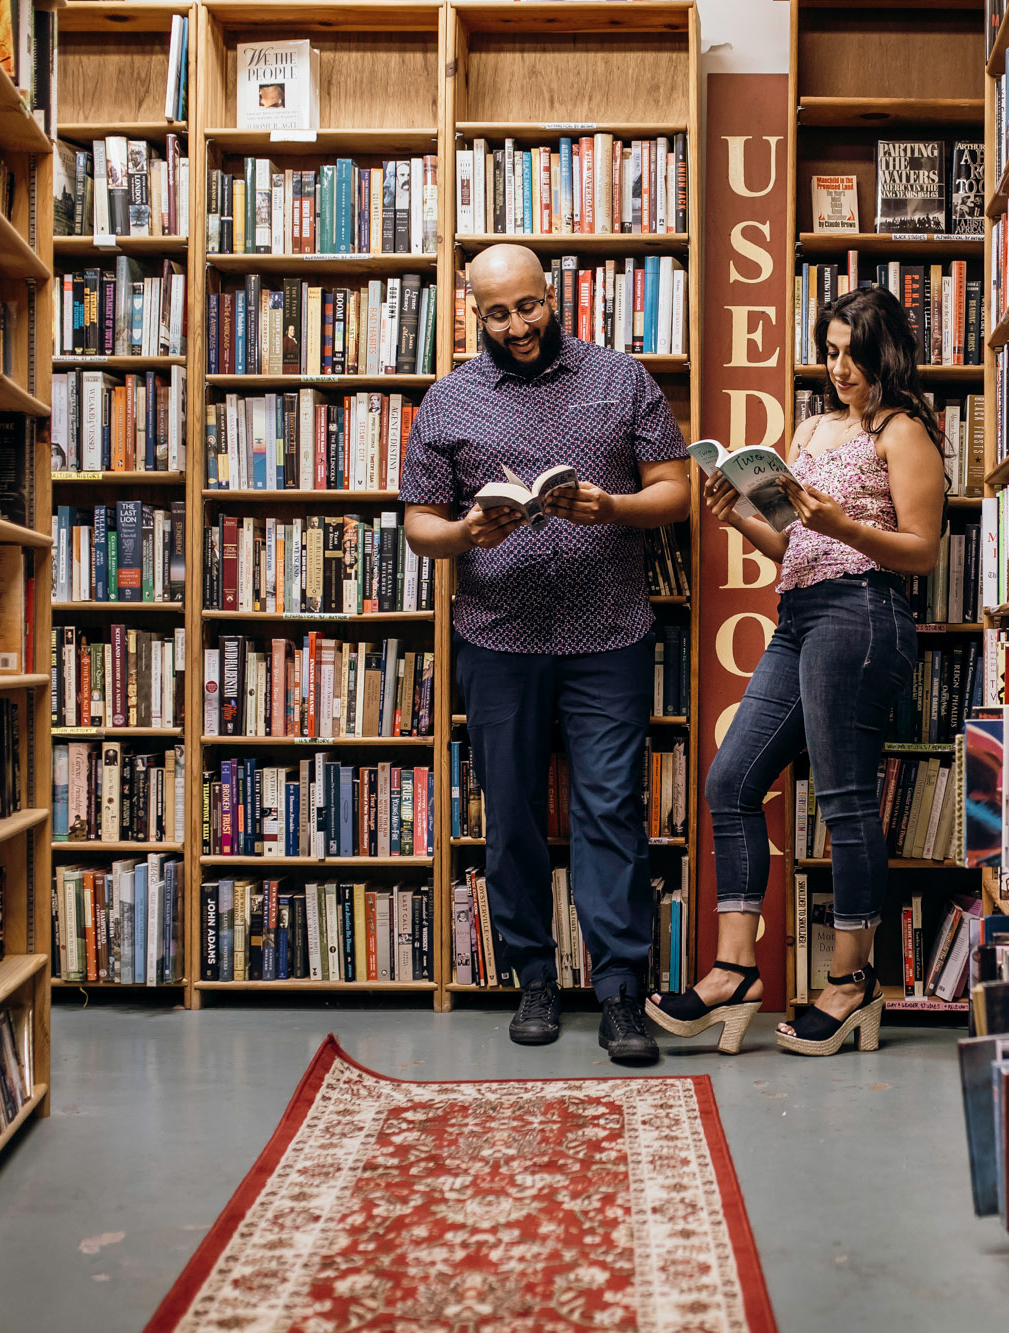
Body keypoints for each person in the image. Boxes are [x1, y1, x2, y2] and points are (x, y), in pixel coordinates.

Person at [400, 243, 690, 1065]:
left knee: (611, 811)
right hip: (497, 638)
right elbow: (421, 521)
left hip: (610, 634)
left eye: (529, 306)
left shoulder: (619, 378)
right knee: (513, 814)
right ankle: (532, 975)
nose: (519, 325)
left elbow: (672, 489)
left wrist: (615, 507)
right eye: (499, 313)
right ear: (475, 314)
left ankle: (620, 993)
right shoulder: (448, 399)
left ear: (550, 297)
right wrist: (467, 531)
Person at [648, 284, 947, 1057]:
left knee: (844, 799)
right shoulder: (811, 427)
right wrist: (742, 516)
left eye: (852, 351)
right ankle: (734, 971)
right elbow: (796, 547)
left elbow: (923, 551)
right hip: (801, 610)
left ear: (885, 351)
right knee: (730, 781)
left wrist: (845, 523)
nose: (837, 364)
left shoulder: (903, 430)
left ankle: (851, 982)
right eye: (829, 349)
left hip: (865, 613)